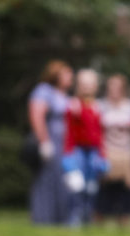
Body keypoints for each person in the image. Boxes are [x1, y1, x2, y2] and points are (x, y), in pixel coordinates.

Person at [29, 60, 75, 225]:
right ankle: (43, 218)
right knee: (46, 179)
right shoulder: (44, 91)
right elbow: (36, 116)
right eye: (67, 74)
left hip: (65, 144)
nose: (71, 78)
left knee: (61, 179)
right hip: (51, 141)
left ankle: (60, 217)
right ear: (55, 75)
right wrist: (44, 142)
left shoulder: (65, 95)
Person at [97, 74, 130, 227]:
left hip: (126, 154)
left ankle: (124, 222)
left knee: (126, 192)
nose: (113, 89)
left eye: (117, 86)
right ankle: (98, 220)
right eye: (111, 86)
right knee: (104, 192)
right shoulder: (100, 106)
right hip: (106, 154)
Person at [61, 69, 108, 225]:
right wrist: (68, 155)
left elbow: (100, 134)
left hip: (93, 151)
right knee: (76, 186)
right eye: (83, 84)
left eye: (90, 84)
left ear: (95, 86)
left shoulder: (98, 107)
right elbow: (69, 132)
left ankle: (88, 218)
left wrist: (102, 154)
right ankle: (73, 219)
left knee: (91, 187)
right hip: (77, 151)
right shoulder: (73, 105)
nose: (87, 87)